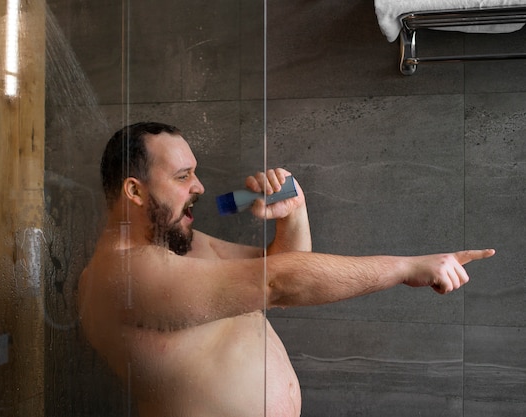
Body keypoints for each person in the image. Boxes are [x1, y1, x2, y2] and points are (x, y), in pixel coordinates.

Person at [77, 121, 495, 417]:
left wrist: (292, 214)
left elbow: (279, 270)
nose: (200, 188)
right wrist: (406, 267)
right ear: (134, 190)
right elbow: (280, 282)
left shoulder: (177, 245)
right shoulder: (125, 275)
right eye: (184, 176)